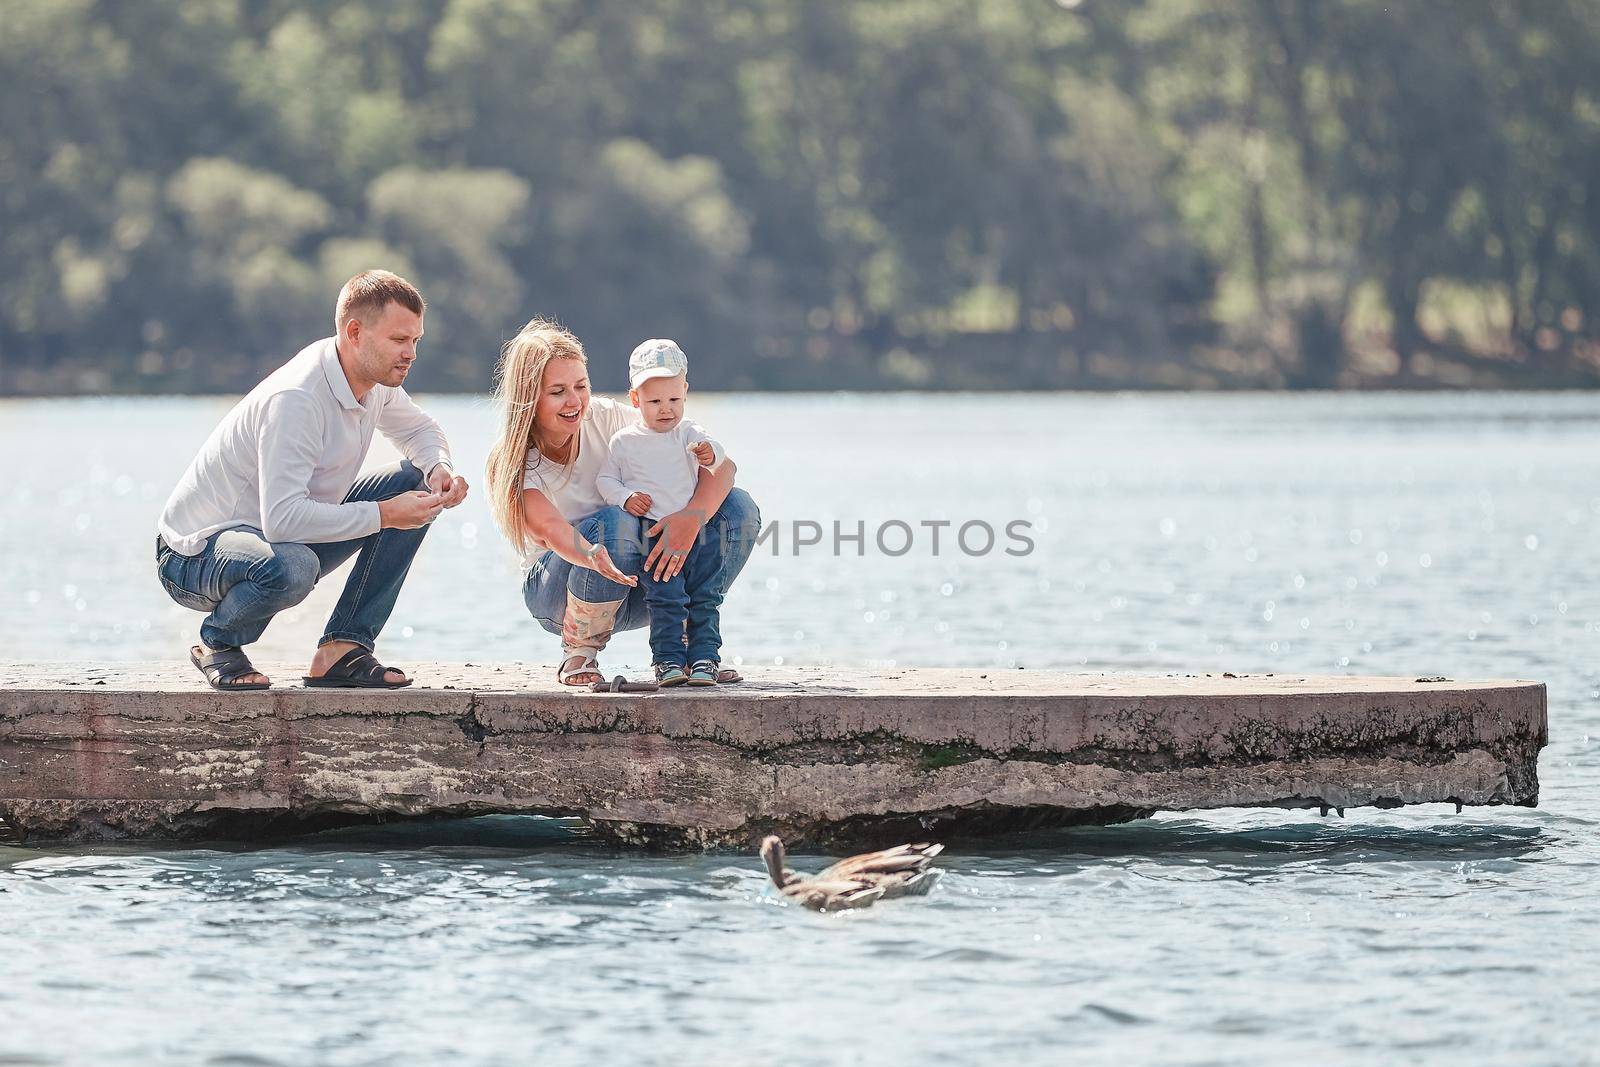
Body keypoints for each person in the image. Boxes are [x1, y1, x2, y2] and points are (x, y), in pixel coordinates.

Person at [155, 270, 468, 691]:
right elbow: (283, 522)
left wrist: (439, 470)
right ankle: (219, 643)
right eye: (399, 340)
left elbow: (420, 432)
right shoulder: (297, 400)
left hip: (272, 536)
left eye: (416, 340)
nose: (411, 353)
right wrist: (383, 515)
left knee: (416, 481)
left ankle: (343, 648)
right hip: (193, 555)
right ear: (354, 332)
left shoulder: (374, 381)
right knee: (294, 567)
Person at [484, 320, 759, 687]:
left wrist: (691, 518)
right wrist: (592, 555)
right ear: (529, 397)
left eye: (580, 386)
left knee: (737, 509)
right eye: (557, 392)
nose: (574, 401)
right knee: (616, 520)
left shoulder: (607, 418)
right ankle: (579, 651)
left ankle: (693, 642)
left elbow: (724, 470)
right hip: (561, 594)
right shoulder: (514, 461)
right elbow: (550, 530)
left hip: (639, 582)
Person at [596, 339, 726, 686]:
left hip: (697, 532)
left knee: (704, 598)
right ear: (635, 399)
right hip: (653, 534)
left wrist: (708, 454)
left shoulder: (689, 432)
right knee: (665, 600)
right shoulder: (624, 442)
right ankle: (667, 661)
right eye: (654, 401)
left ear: (685, 391)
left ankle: (704, 660)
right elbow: (605, 480)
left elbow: (719, 453)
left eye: (674, 399)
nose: (666, 409)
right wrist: (625, 497)